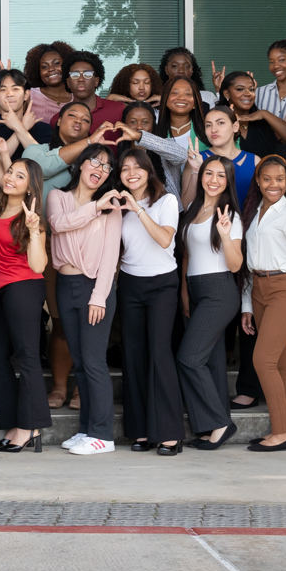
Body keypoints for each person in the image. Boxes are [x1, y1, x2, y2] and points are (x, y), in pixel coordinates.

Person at [46, 143, 123, 455]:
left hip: (95, 287)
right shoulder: (58, 198)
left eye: (107, 167)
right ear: (81, 165)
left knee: (93, 362)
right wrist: (95, 207)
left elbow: (110, 258)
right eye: (96, 162)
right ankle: (86, 430)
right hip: (66, 286)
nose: (100, 170)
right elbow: (58, 225)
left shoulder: (112, 207)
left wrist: (99, 297)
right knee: (79, 362)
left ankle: (102, 434)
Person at [238, 156, 286, 451]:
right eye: (267, 179)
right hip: (259, 287)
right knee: (280, 363)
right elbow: (250, 262)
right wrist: (246, 304)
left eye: (280, 179)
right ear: (258, 182)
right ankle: (283, 430)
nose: (274, 184)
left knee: (263, 360)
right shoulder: (254, 211)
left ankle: (282, 434)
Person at [111, 146, 183, 454]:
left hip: (162, 285)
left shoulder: (166, 201)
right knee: (133, 356)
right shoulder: (118, 205)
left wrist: (138, 210)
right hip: (130, 284)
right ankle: (140, 431)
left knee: (159, 353)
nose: (131, 172)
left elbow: (165, 239)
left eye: (136, 167)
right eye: (125, 168)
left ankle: (169, 433)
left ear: (148, 170)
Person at [174, 155, 243, 449]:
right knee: (210, 363)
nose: (213, 180)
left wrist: (226, 236)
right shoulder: (192, 208)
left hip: (219, 290)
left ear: (228, 182)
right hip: (196, 288)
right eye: (208, 173)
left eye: (220, 176)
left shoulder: (230, 216)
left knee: (188, 358)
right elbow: (187, 254)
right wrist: (184, 290)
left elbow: (236, 264)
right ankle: (207, 427)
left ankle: (221, 424)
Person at [0, 158, 49, 451]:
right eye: (9, 172)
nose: (10, 177)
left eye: (19, 176)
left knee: (27, 357)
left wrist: (34, 231)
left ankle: (30, 427)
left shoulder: (32, 218)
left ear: (30, 186)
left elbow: (38, 264)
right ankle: (12, 423)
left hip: (24, 287)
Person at [182, 104, 258, 208]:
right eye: (208, 125)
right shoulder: (195, 160)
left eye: (220, 123)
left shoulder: (254, 161)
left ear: (235, 126)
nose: (213, 129)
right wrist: (196, 171)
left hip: (246, 223)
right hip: (208, 223)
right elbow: (186, 206)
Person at [220, 71, 286, 161]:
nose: (248, 93)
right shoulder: (218, 122)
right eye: (240, 89)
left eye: (251, 90)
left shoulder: (264, 121)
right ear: (226, 94)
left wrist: (264, 113)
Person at [59, 51, 127, 133]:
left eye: (87, 74)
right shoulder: (60, 119)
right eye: (75, 75)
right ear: (68, 82)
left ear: (96, 81)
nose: (81, 79)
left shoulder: (120, 110)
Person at [25, 42, 77, 124]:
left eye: (56, 63)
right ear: (38, 71)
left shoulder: (77, 98)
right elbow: (0, 123)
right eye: (44, 67)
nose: (51, 69)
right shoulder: (29, 95)